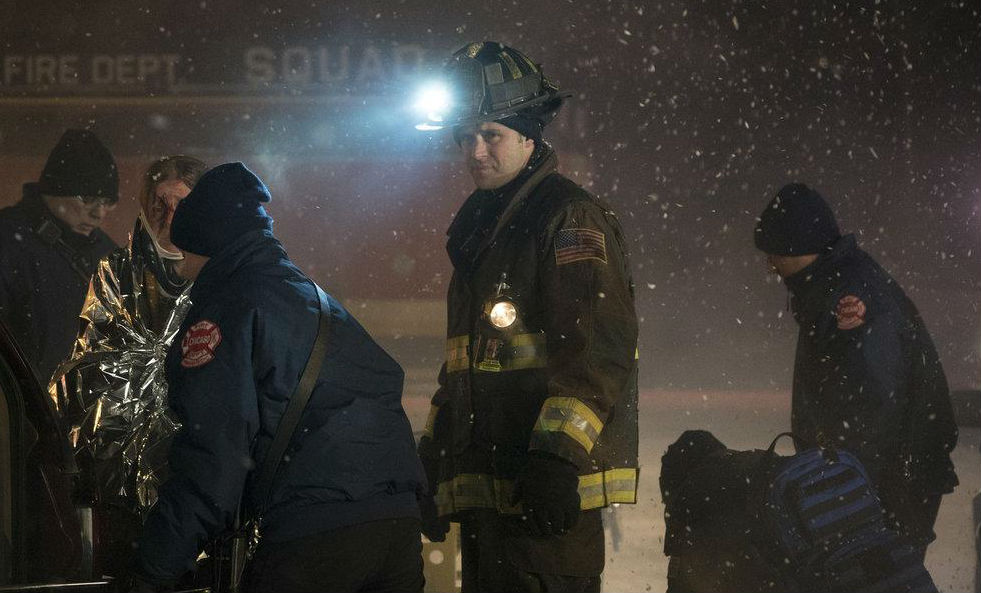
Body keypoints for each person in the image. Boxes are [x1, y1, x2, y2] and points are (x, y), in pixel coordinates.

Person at [133, 162, 426, 593]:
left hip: (314, 539)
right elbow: (378, 399)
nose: (180, 267)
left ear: (208, 243)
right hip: (395, 530)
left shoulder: (227, 310)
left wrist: (153, 566)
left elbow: (214, 455)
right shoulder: (312, 300)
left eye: (186, 251)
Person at [415, 41, 639, 592]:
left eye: (491, 135)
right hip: (493, 503)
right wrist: (437, 456)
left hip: (545, 507)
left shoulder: (565, 218)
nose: (476, 151)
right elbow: (472, 361)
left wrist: (557, 459)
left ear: (530, 134)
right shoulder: (483, 225)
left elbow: (596, 350)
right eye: (466, 137)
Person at [754, 182, 958, 557]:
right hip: (885, 472)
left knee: (879, 575)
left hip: (894, 476)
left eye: (774, 252)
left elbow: (877, 398)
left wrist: (847, 484)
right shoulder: (830, 284)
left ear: (800, 246)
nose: (770, 264)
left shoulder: (850, 295)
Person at [49, 155, 207, 581]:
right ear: (145, 204)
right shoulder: (118, 271)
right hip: (121, 477)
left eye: (182, 205)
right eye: (160, 203)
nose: (169, 216)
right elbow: (91, 361)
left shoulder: (219, 275)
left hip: (197, 473)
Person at [0, 129, 118, 384]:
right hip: (18, 410)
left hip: (80, 411)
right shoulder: (7, 241)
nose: (99, 213)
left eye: (108, 201)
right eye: (88, 199)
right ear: (56, 189)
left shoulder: (106, 253)